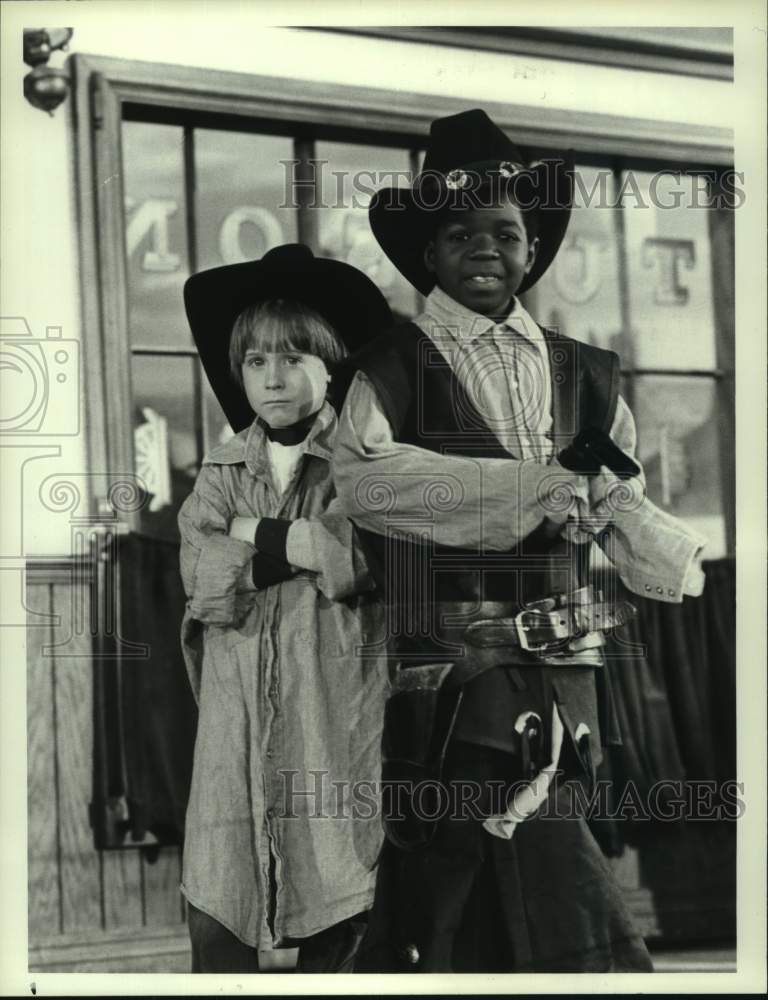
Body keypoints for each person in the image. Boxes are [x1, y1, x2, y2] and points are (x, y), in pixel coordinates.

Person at [332, 110, 706, 973]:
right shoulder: (388, 366)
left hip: (570, 675)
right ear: (427, 254)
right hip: (452, 676)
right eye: (460, 234)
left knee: (521, 880)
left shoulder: (588, 372)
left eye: (506, 232)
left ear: (532, 249)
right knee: (473, 873)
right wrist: (529, 489)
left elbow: (617, 495)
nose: (485, 248)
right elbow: (370, 484)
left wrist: (672, 557)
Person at [177, 243, 392, 973]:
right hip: (234, 717)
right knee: (220, 897)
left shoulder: (361, 459)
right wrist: (295, 552)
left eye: (295, 358)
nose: (273, 378)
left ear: (331, 367)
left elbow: (355, 556)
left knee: (340, 892)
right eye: (256, 361)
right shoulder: (221, 468)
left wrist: (253, 536)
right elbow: (202, 576)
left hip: (331, 706)